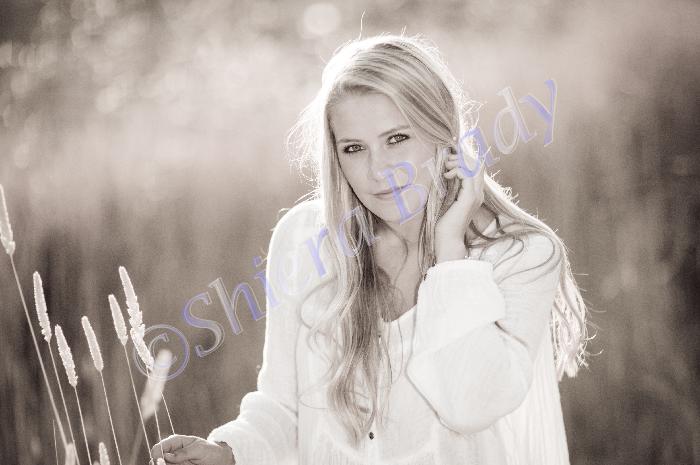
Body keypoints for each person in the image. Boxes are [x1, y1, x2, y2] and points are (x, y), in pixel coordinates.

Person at [150, 33, 591, 465]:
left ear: (443, 133)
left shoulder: (521, 255)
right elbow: (284, 406)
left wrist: (449, 250)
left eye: (397, 138)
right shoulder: (304, 240)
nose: (379, 170)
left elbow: (470, 405)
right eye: (354, 148)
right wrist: (230, 453)